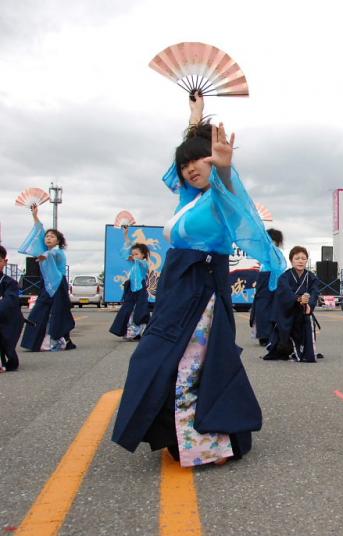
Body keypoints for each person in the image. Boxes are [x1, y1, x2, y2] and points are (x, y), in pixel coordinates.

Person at [112, 93, 282, 466]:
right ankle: (195, 438)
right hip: (179, 286)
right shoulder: (188, 198)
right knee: (175, 359)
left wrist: (221, 167)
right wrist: (195, 116)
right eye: (185, 163)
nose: (190, 168)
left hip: (200, 287)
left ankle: (208, 444)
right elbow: (187, 164)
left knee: (188, 361)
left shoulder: (220, 197)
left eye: (198, 160)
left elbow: (230, 194)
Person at [18, 205, 76, 352]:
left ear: (58, 241)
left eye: (52, 236)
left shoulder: (57, 251)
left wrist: (45, 255)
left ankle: (62, 341)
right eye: (47, 236)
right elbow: (39, 229)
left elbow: (52, 254)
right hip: (47, 284)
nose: (48, 238)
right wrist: (35, 215)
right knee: (39, 311)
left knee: (59, 313)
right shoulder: (45, 249)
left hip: (58, 285)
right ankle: (33, 343)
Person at [266, 246, 322, 362]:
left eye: (303, 258)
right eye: (297, 258)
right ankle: (285, 347)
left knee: (307, 321)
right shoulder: (284, 277)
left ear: (307, 260)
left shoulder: (312, 277)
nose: (300, 261)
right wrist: (298, 299)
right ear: (291, 260)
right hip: (287, 310)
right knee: (283, 346)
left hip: (303, 310)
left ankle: (304, 350)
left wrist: (309, 304)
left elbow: (315, 292)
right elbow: (285, 292)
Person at [109, 226, 151, 340]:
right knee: (126, 310)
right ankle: (130, 331)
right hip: (131, 290)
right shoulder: (133, 265)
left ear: (143, 255)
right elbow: (128, 247)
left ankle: (138, 331)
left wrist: (135, 259)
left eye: (137, 254)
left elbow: (141, 263)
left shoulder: (144, 264)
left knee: (140, 312)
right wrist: (126, 235)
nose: (134, 256)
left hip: (140, 290)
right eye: (133, 254)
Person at [250, 228, 286, 347]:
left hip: (265, 276)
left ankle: (264, 334)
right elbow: (278, 267)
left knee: (262, 305)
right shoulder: (273, 249)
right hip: (270, 277)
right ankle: (266, 334)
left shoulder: (266, 249)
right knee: (268, 306)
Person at [0, 246, 24, 372]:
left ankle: (7, 359)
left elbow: (9, 302)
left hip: (7, 319)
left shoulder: (10, 283)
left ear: (5, 262)